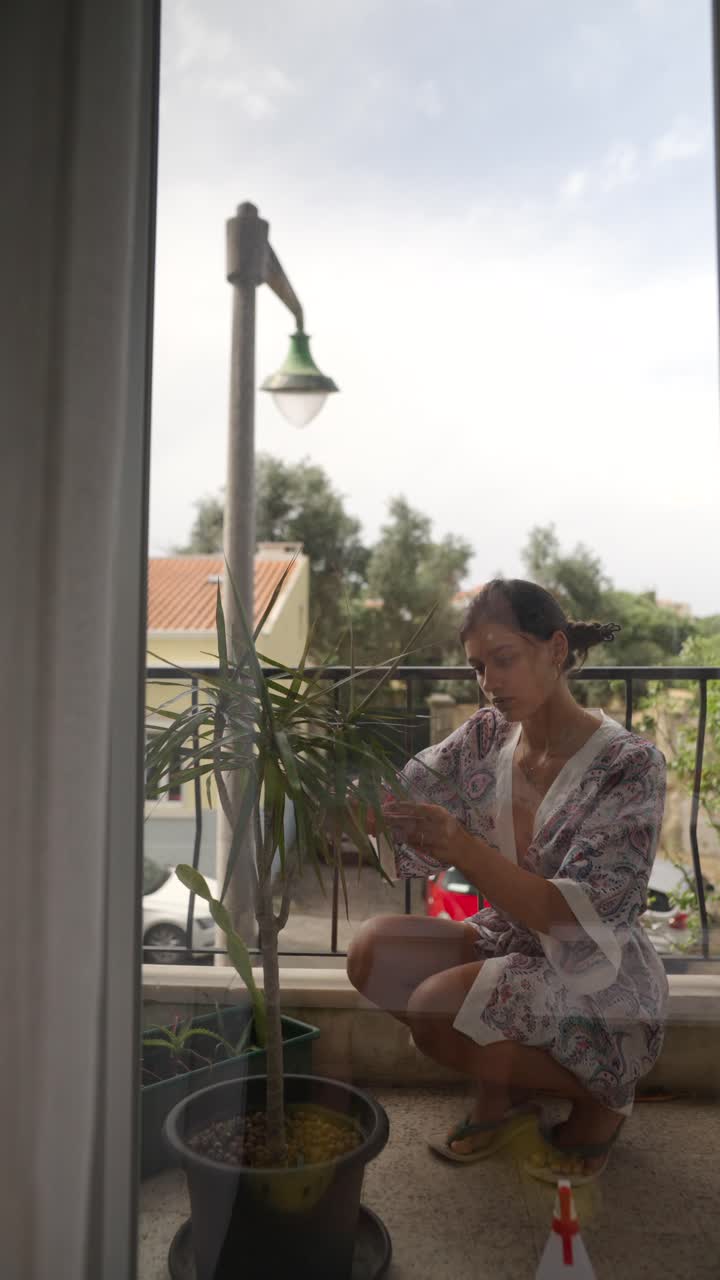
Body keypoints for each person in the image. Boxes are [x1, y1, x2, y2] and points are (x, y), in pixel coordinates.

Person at [346, 578, 668, 1185]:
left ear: (555, 649)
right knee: (373, 954)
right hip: (512, 941)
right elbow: (405, 794)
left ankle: (603, 1099)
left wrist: (461, 846)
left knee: (435, 1009)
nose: (489, 683)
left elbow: (574, 918)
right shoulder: (487, 735)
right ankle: (510, 1094)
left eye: (505, 659)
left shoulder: (630, 765)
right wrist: (347, 796)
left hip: (599, 975)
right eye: (477, 667)